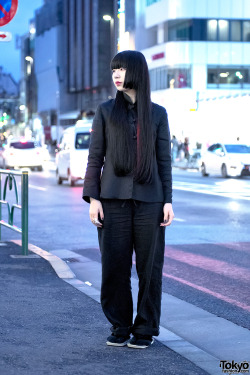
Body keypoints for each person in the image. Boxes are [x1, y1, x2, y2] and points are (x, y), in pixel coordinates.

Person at [82, 50, 174, 349]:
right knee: (114, 266)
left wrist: (168, 200)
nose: (116, 74)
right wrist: (93, 198)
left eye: (121, 68)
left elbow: (164, 161)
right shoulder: (106, 111)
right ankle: (120, 325)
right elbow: (95, 158)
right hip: (112, 200)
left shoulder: (158, 114)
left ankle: (145, 328)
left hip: (150, 201)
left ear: (136, 71)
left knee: (149, 268)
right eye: (113, 69)